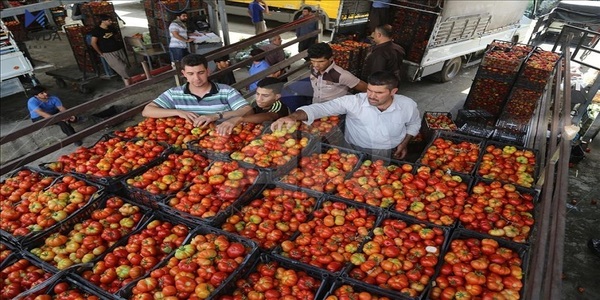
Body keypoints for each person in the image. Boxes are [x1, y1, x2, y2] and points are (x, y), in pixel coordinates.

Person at [271, 71, 421, 159]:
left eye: (379, 93)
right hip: (353, 149)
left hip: (388, 151)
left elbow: (414, 124)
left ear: (393, 91)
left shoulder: (408, 105)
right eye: (369, 90)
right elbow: (321, 108)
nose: (372, 96)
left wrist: (404, 142)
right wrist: (293, 117)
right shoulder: (354, 102)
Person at [142, 54, 253, 128]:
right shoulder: (174, 93)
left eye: (200, 73)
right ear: (184, 74)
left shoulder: (226, 91)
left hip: (221, 140)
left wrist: (217, 116)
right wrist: (178, 112)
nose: (196, 78)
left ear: (208, 71)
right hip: (188, 145)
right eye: (190, 74)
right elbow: (147, 111)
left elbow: (248, 110)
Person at [216, 77, 289, 135]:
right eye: (257, 94)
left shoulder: (279, 106)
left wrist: (240, 119)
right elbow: (247, 112)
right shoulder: (255, 102)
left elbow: (268, 116)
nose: (259, 99)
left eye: (265, 95)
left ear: (277, 97)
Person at [90, 14, 131, 85]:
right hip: (108, 52)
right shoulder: (96, 31)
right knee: (122, 67)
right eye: (108, 20)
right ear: (102, 21)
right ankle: (130, 81)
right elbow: (93, 43)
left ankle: (126, 79)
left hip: (118, 49)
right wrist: (100, 53)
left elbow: (116, 37)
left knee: (126, 65)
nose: (111, 21)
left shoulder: (111, 28)